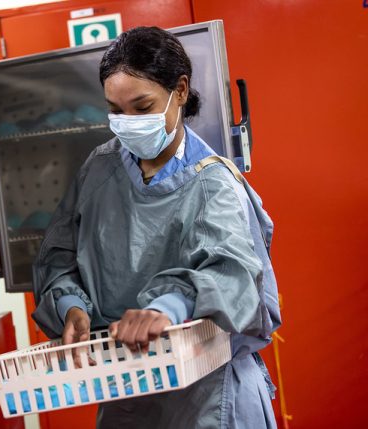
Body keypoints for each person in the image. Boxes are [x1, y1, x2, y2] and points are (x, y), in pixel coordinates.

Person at [32, 26, 281, 429]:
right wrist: (70, 305)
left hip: (208, 396)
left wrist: (167, 309)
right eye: (115, 110)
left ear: (179, 91)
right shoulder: (100, 169)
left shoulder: (212, 182)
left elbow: (234, 276)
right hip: (127, 391)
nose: (127, 123)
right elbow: (59, 255)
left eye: (142, 107)